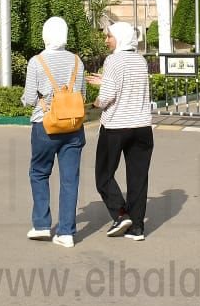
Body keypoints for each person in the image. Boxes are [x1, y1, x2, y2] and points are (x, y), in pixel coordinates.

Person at [21, 17, 86, 248]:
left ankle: (41, 225)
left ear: (45, 35)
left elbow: (29, 99)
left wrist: (27, 100)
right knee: (70, 179)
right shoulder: (77, 61)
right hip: (74, 128)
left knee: (39, 173)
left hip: (45, 126)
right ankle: (66, 232)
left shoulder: (37, 62)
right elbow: (82, 96)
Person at [85, 21, 153, 241]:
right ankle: (137, 229)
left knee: (103, 175)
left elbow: (107, 97)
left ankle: (121, 213)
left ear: (120, 38)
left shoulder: (113, 60)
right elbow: (128, 85)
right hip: (142, 127)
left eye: (109, 36)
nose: (106, 40)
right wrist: (105, 81)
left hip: (116, 127)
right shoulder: (141, 60)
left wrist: (96, 103)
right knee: (138, 178)